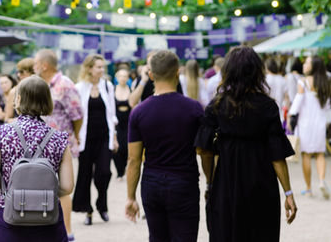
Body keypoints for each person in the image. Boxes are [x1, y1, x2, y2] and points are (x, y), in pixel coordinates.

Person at [195, 46, 297, 242]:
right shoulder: (267, 106)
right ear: (256, 72)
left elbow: (203, 150)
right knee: (260, 232)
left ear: (228, 72)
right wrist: (288, 193)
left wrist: (210, 182)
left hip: (226, 183)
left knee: (225, 233)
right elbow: (277, 156)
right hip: (261, 183)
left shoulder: (216, 105)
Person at [0, 75, 74, 242]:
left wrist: (12, 187)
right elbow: (67, 187)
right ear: (47, 101)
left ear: (17, 99)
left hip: (10, 215)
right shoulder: (59, 138)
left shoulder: (1, 134)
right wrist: (41, 191)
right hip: (48, 215)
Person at [125, 50, 203, 241]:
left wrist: (130, 197)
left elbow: (134, 160)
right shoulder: (194, 109)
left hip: (152, 182)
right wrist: (210, 183)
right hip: (184, 182)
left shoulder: (139, 112)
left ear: (151, 75)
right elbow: (204, 150)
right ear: (177, 72)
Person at [34, 49, 84, 242]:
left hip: (62, 147)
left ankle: (67, 232)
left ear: (44, 65)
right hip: (40, 147)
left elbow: (77, 116)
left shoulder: (65, 85)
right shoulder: (41, 85)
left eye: (36, 63)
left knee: (62, 190)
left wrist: (74, 136)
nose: (34, 66)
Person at [73, 54, 118, 225]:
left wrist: (114, 138)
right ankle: (88, 211)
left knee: (104, 173)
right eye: (99, 67)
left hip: (103, 137)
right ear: (89, 68)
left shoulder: (107, 86)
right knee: (84, 175)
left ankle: (102, 204)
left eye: (102, 67)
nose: (102, 70)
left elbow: (112, 115)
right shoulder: (79, 88)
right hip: (85, 138)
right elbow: (76, 116)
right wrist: (75, 137)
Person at [289, 56, 330, 199]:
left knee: (306, 154)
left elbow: (298, 102)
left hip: (305, 124)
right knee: (320, 153)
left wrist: (291, 115)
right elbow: (327, 106)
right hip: (320, 122)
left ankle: (308, 189)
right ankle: (321, 180)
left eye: (307, 62)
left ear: (313, 66)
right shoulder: (326, 82)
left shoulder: (303, 82)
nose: (304, 64)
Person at [113, 68, 131, 180]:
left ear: (127, 78)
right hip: (117, 122)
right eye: (121, 76)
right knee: (116, 147)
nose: (123, 78)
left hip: (128, 121)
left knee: (125, 147)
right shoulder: (113, 90)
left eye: (125, 76)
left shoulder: (131, 89)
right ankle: (119, 172)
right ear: (117, 78)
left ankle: (123, 168)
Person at [5, 58, 35, 122]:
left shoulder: (40, 90)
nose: (18, 74)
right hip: (19, 130)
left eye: (21, 72)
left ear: (32, 72)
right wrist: (23, 121)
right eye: (18, 72)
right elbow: (7, 119)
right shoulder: (14, 91)